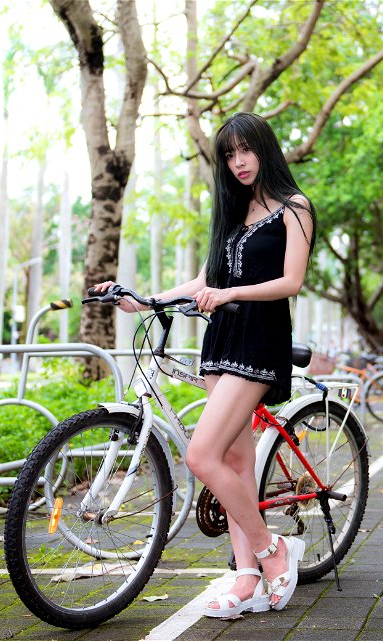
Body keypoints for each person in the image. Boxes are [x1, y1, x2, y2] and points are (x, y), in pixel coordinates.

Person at [91, 112, 316, 617]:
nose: (238, 162)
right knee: (234, 464)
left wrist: (230, 291)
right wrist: (146, 301)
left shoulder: (294, 208)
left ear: (265, 150)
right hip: (222, 341)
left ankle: (271, 551)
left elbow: (291, 282)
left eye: (246, 150)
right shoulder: (232, 213)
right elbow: (202, 281)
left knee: (201, 456)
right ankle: (245, 577)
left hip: (259, 341)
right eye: (229, 155)